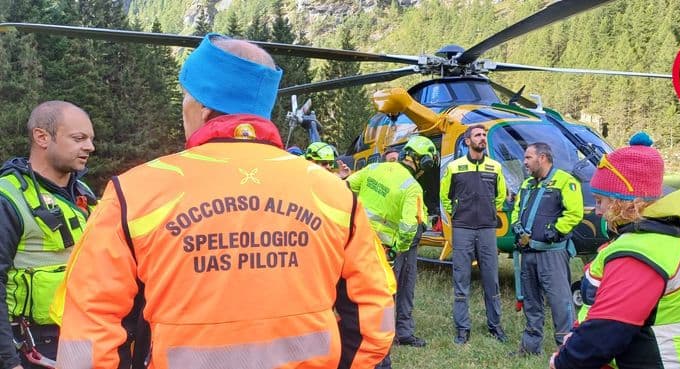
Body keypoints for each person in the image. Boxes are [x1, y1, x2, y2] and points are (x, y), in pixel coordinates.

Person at [55, 34, 395, 369]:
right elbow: (374, 311)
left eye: (185, 98)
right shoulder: (334, 192)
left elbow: (89, 320)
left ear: (202, 109)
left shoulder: (134, 193)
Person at [550, 132, 680, 369]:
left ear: (624, 202)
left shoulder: (638, 253)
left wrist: (564, 361)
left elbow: (606, 332)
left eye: (600, 201)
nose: (597, 211)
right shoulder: (678, 235)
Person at [0, 101, 96, 369]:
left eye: (90, 139)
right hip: (28, 348)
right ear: (42, 137)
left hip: (81, 339)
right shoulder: (8, 197)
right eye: (79, 138)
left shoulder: (84, 193)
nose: (90, 147)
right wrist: (8, 362)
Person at [347, 135, 437, 368]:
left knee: (357, 295)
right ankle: (380, 350)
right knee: (385, 298)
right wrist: (398, 248)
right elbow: (408, 227)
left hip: (359, 244)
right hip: (386, 250)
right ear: (423, 162)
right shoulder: (411, 187)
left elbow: (346, 187)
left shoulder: (374, 168)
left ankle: (358, 340)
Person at [509, 142, 582, 356]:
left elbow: (575, 213)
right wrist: (517, 226)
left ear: (542, 158)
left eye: (528, 158)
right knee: (531, 301)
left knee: (560, 301)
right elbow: (516, 210)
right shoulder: (527, 185)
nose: (524, 162)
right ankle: (530, 347)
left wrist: (557, 230)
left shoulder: (565, 181)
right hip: (528, 253)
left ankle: (566, 350)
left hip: (552, 254)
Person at [439, 124, 508, 344]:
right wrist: (458, 214)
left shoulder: (495, 167)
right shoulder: (455, 167)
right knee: (461, 278)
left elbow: (500, 196)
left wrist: (488, 212)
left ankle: (495, 325)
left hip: (487, 228)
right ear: (467, 141)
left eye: (484, 135)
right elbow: (445, 197)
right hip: (463, 229)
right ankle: (462, 328)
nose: (482, 138)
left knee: (491, 279)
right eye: (478, 135)